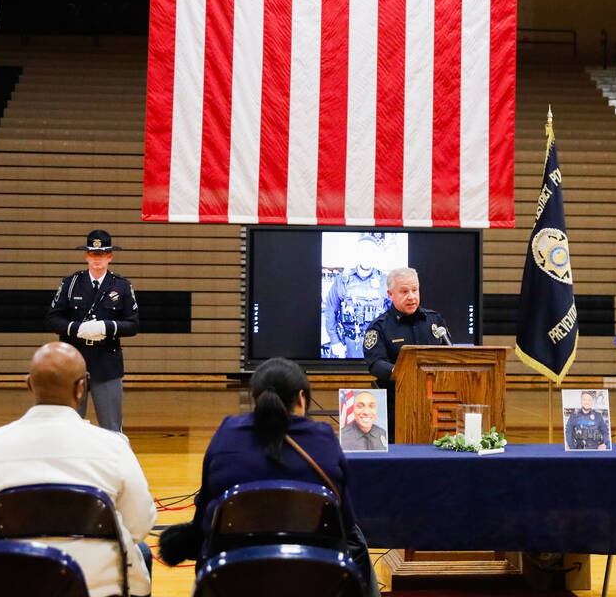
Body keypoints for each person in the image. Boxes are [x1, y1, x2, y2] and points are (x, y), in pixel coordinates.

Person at [159, 358, 380, 596]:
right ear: (302, 398)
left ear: (255, 398)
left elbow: (203, 517)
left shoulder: (226, 434)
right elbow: (344, 522)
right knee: (357, 540)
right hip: (313, 578)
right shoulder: (324, 438)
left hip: (234, 578)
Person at [0, 342, 156, 597]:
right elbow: (139, 526)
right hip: (96, 590)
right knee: (143, 552)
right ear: (82, 388)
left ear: (29, 385)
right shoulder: (115, 448)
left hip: (9, 585)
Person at [46, 229, 139, 432]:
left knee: (112, 427)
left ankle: (113, 464)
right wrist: (76, 329)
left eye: (102, 254)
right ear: (87, 255)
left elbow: (133, 325)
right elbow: (53, 319)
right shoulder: (71, 283)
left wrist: (107, 327)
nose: (97, 259)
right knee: (70, 427)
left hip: (106, 362)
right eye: (93, 254)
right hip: (74, 361)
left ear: (110, 256)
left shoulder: (121, 286)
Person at [363, 267, 450, 435]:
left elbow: (448, 355)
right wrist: (404, 373)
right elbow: (375, 364)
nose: (411, 296)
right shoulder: (379, 327)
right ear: (390, 294)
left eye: (415, 290)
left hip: (437, 402)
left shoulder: (434, 320)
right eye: (404, 291)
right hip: (396, 406)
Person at [321, 235, 389, 359]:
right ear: (358, 254)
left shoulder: (385, 281)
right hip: (348, 344)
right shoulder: (342, 279)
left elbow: (394, 314)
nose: (367, 255)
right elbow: (330, 311)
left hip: (378, 344)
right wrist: (334, 341)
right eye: (363, 251)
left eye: (371, 252)